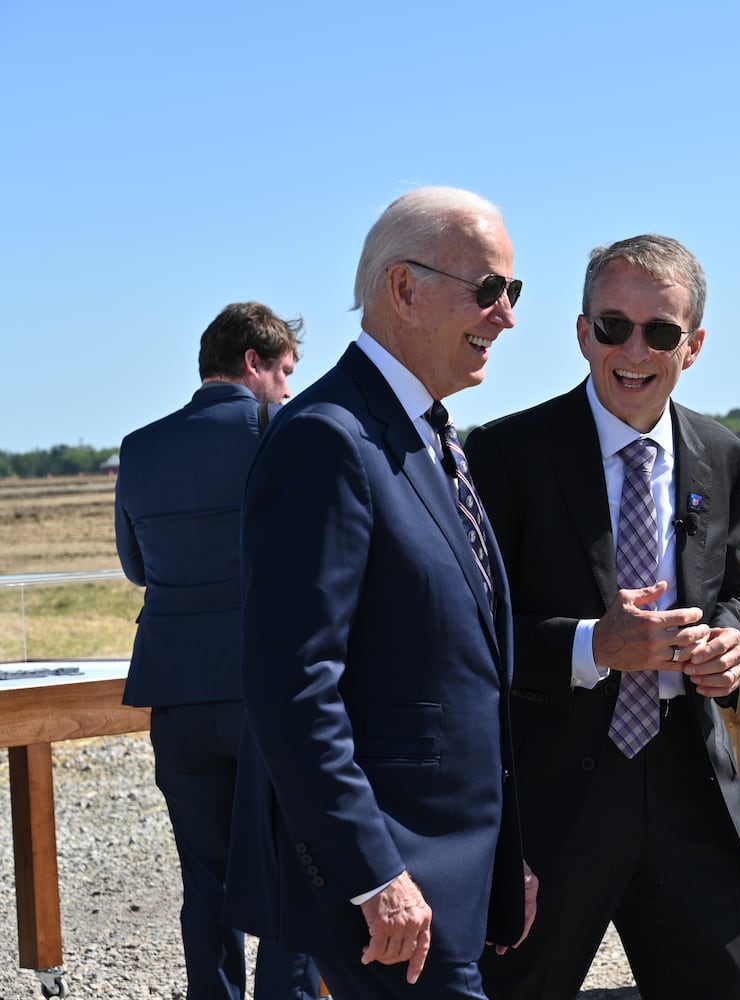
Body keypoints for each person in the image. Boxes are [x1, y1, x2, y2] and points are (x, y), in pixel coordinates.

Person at [223, 186, 536, 1000]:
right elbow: (293, 687)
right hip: (393, 896)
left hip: (449, 882)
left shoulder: (427, 435)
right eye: (488, 290)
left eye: (513, 292)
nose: (505, 316)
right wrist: (373, 877)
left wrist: (505, 859)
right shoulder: (330, 440)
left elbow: (458, 667)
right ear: (404, 288)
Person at [466, 234, 740, 999]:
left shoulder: (725, 457)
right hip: (553, 801)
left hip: (687, 782)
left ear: (693, 346)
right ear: (581, 332)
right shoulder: (503, 456)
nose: (633, 350)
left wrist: (731, 642)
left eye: (660, 333)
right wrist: (592, 646)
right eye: (612, 327)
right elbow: (470, 635)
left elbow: (733, 590)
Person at [114, 301, 320, 1000]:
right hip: (271, 693)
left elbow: (137, 567)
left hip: (176, 693)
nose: (290, 388)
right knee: (299, 871)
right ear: (255, 364)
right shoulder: (285, 433)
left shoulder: (140, 447)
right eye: (285, 371)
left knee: (205, 880)